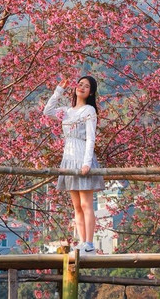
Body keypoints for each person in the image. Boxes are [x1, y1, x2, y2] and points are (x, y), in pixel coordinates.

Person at [43, 75, 105, 254]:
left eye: (86, 86)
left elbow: (91, 138)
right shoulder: (67, 111)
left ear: (91, 92)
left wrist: (87, 163)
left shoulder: (88, 111)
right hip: (68, 158)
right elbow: (47, 111)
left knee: (86, 204)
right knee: (76, 206)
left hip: (82, 157)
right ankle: (81, 242)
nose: (82, 87)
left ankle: (89, 243)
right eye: (80, 84)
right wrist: (59, 90)